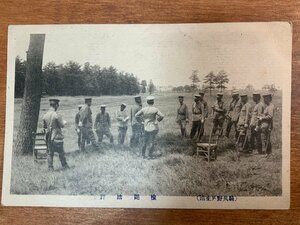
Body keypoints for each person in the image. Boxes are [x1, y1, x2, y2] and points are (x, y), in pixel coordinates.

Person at [43, 99, 69, 171]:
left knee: (50, 154)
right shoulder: (57, 115)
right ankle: (65, 166)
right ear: (56, 105)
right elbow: (62, 125)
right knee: (61, 153)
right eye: (58, 105)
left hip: (49, 138)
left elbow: (44, 127)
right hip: (56, 137)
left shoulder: (45, 115)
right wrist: (64, 122)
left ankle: (50, 168)